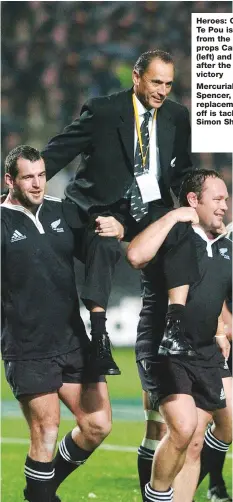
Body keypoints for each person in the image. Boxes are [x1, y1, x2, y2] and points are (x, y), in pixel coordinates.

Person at [41, 49, 199, 376]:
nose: (162, 90)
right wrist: (18, 186)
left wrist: (195, 199)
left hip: (147, 209)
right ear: (137, 77)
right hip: (97, 207)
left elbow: (182, 172)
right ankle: (99, 336)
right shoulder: (104, 111)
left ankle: (174, 327)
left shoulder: (177, 116)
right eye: (156, 82)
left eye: (169, 84)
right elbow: (58, 152)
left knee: (182, 229)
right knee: (104, 243)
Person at [1, 145, 112, 502]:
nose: (37, 184)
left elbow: (96, 248)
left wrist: (114, 226)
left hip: (73, 340)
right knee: (46, 431)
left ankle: (40, 489)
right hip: (28, 346)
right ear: (10, 181)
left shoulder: (61, 211)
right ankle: (42, 494)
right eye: (28, 177)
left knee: (97, 425)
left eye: (42, 175)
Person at [126, 169, 232, 502]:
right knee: (183, 428)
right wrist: (173, 216)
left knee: (196, 440)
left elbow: (215, 298)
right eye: (217, 199)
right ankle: (156, 496)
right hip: (163, 348)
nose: (224, 206)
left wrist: (220, 328)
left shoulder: (224, 247)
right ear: (192, 200)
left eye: (226, 199)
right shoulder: (174, 233)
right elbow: (135, 255)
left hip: (203, 352)